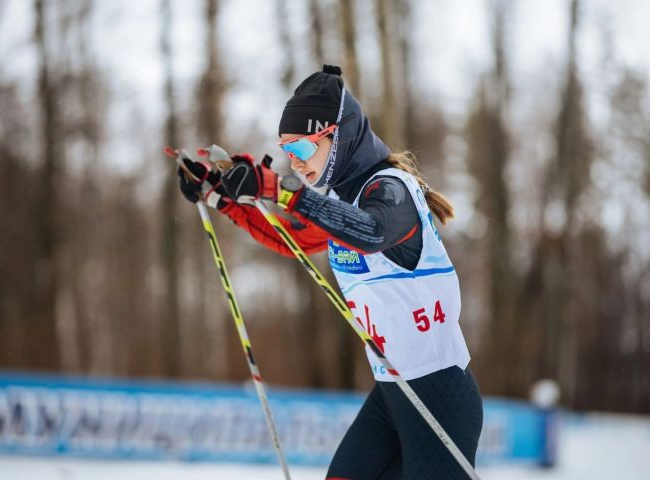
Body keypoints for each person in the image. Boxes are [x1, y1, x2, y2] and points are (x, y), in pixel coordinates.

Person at [177, 65, 483, 479]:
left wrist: (282, 189)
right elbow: (294, 239)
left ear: (338, 136)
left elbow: (371, 231)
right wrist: (221, 197)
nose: (296, 163)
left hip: (439, 396)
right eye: (287, 153)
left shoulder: (391, 189)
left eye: (302, 150)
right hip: (392, 396)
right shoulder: (343, 200)